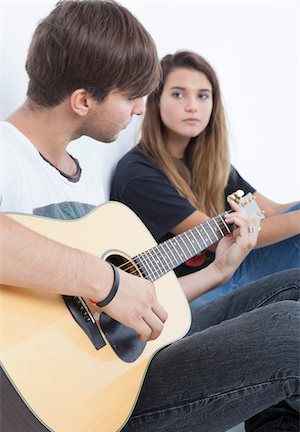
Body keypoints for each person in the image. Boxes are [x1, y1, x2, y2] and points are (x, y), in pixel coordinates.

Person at [0, 4, 299, 432]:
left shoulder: (84, 182)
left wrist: (217, 272)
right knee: (292, 330)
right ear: (83, 100)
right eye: (131, 97)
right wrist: (106, 280)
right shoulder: (7, 154)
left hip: (127, 368)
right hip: (76, 410)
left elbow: (133, 307)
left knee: (290, 288)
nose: (142, 109)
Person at [110, 50, 300, 307]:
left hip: (236, 270)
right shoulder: (139, 173)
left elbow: (270, 211)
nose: (192, 106)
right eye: (178, 94)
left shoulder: (212, 165)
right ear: (156, 100)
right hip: (195, 292)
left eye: (202, 96)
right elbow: (220, 239)